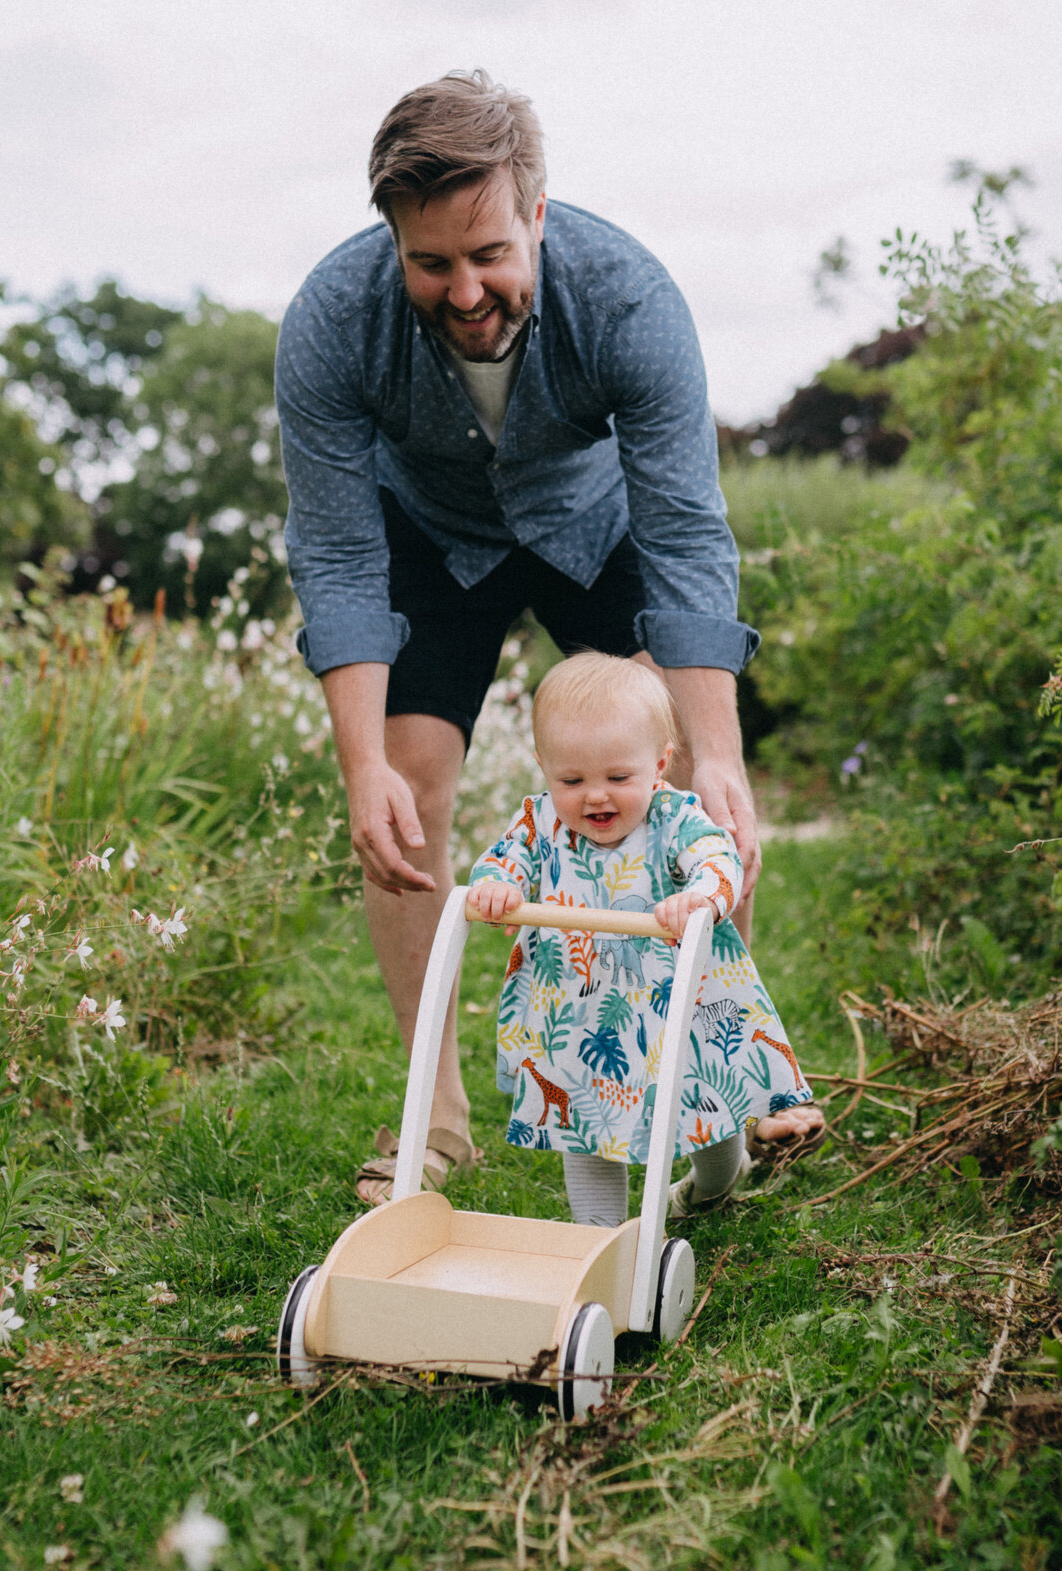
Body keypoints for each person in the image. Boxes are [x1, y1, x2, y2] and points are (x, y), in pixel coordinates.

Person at [276, 69, 822, 1203]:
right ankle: (435, 1125)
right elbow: (335, 557)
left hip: (595, 524)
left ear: (536, 210)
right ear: (392, 241)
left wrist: (717, 751)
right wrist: (361, 762)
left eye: (488, 253)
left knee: (691, 790)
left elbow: (681, 528)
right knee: (412, 775)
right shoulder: (330, 324)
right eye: (431, 263)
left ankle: (701, 1085)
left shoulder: (628, 298)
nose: (464, 289)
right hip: (430, 535)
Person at [462, 654, 816, 1225]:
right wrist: (497, 886)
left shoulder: (676, 818)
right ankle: (597, 1241)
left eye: (618, 779)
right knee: (584, 1123)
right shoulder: (539, 823)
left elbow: (717, 859)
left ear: (659, 766)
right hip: (577, 1013)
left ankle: (712, 1187)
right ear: (544, 767)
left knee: (710, 1117)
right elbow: (502, 863)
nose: (595, 797)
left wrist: (700, 892)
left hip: (681, 1003)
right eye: (571, 780)